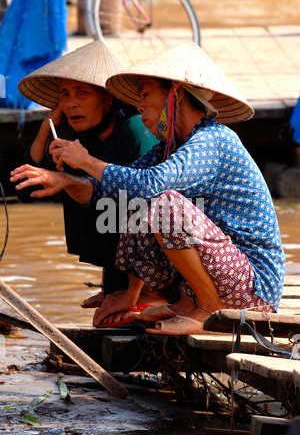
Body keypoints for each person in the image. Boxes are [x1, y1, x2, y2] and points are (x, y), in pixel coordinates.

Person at [11, 41, 286, 334]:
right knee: (132, 202)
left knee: (163, 203)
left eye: (144, 95)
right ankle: (184, 302)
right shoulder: (166, 149)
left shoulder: (214, 140)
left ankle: (208, 308)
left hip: (253, 289)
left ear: (175, 95)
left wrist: (85, 160)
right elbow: (115, 189)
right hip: (226, 276)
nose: (139, 106)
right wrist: (65, 180)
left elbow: (149, 185)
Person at [14, 40, 159, 308]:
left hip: (158, 256)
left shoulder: (135, 129)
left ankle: (146, 292)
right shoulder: (80, 136)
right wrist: (49, 124)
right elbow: (26, 184)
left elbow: (147, 204)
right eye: (65, 94)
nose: (71, 103)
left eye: (82, 93)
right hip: (121, 255)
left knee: (123, 201)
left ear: (109, 96)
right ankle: (113, 285)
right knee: (87, 192)